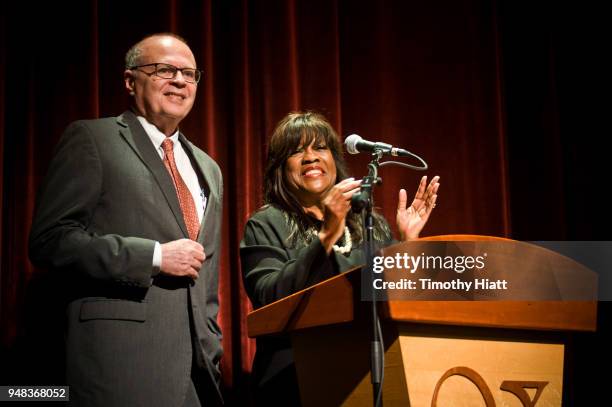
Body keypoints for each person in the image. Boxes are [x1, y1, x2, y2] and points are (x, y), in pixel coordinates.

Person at [29, 33, 223, 406]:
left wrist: (212, 344)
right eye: (165, 70)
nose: (180, 81)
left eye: (190, 73)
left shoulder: (209, 168)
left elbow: (207, 277)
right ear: (130, 81)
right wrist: (152, 256)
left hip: (196, 373)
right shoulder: (93, 139)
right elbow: (50, 240)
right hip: (119, 363)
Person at [240, 111, 440, 405]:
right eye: (297, 151)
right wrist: (326, 237)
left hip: (365, 376)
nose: (310, 157)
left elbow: (392, 304)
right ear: (281, 169)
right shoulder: (266, 223)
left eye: (320, 148)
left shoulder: (368, 223)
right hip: (293, 383)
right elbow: (269, 297)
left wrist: (406, 245)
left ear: (335, 161)